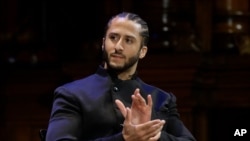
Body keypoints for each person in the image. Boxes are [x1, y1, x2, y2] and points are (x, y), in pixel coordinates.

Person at [46, 12, 196, 141]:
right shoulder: (72, 94)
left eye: (128, 40)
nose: (118, 46)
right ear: (104, 43)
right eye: (113, 37)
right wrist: (123, 139)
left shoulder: (162, 99)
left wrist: (153, 135)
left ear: (142, 51)